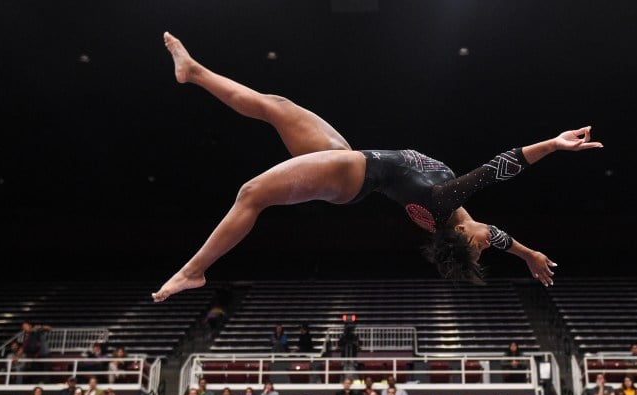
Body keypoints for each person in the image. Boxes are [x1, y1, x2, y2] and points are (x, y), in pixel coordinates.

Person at [151, 32, 603, 303]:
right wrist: (529, 255)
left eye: (481, 245)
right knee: (277, 106)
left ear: (461, 235)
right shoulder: (460, 224)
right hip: (351, 162)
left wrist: (553, 145)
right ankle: (194, 72)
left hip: (352, 172)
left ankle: (194, 270)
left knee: (252, 193)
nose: (490, 239)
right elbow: (499, 237)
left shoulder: (446, 202)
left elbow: (500, 166)